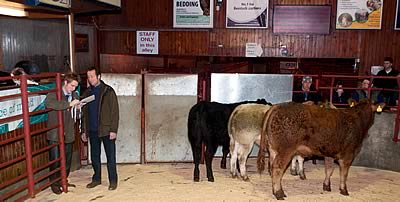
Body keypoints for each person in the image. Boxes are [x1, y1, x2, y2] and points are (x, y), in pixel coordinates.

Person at [81, 67, 119, 191]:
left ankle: (113, 181)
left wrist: (113, 129)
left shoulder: (108, 91)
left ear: (99, 76)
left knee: (110, 157)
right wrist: (84, 130)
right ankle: (96, 179)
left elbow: (115, 112)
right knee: (95, 156)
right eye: (88, 77)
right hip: (92, 130)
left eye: (92, 76)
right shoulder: (86, 93)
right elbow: (83, 113)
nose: (90, 79)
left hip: (106, 130)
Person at [45, 72, 80, 194]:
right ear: (65, 83)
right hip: (55, 132)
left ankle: (63, 180)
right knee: (55, 160)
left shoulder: (74, 94)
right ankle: (54, 184)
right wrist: (69, 104)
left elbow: (73, 112)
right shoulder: (54, 92)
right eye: (72, 86)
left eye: (75, 86)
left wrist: (78, 106)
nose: (74, 89)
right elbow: (49, 103)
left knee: (67, 158)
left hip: (68, 131)